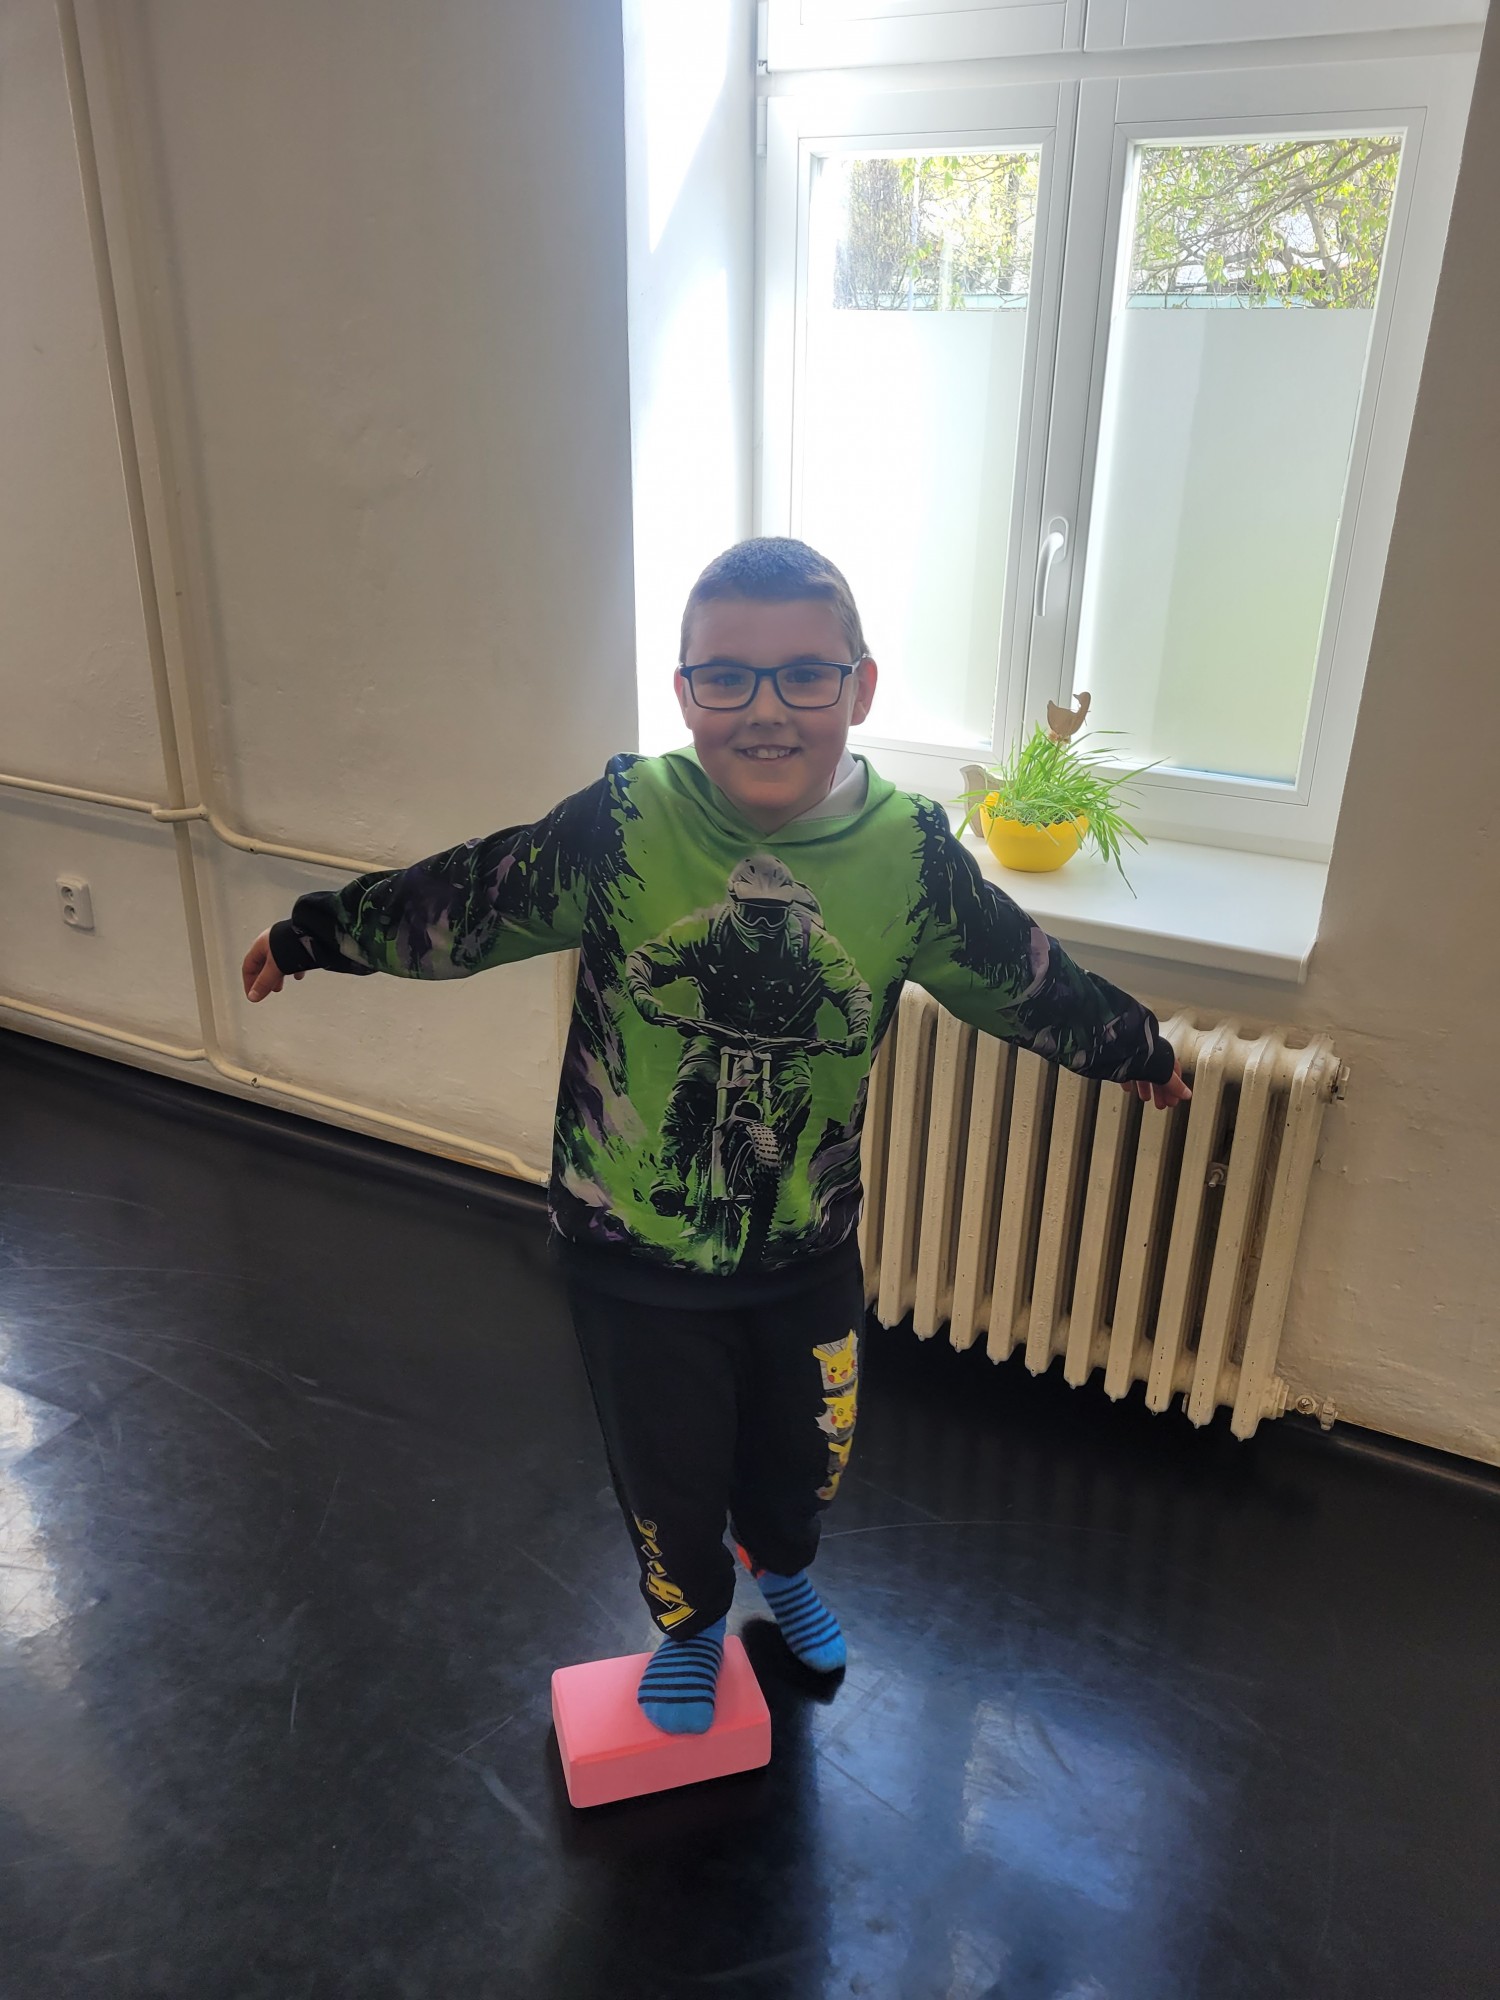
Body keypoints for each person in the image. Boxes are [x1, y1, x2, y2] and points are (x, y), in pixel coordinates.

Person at [243, 537, 1189, 1736]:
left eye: (805, 674)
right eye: (728, 677)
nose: (766, 710)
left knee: (812, 1448)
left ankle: (780, 1563)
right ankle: (690, 1621)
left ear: (859, 687)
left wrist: (1130, 1045)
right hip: (629, 1248)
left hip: (807, 1243)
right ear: (687, 690)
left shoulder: (906, 856)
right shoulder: (629, 823)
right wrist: (322, 932)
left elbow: (1020, 971)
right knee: (669, 1465)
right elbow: (471, 898)